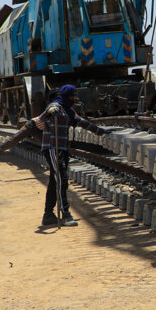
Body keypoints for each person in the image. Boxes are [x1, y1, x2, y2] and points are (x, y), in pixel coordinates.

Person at [33, 84, 111, 227]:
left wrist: (99, 131)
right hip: (52, 148)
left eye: (75, 96)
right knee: (61, 180)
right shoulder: (55, 106)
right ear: (65, 96)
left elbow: (80, 121)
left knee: (54, 181)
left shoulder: (68, 109)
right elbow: (43, 117)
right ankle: (66, 214)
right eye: (71, 96)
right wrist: (51, 109)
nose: (74, 99)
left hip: (62, 148)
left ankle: (48, 215)